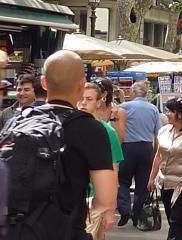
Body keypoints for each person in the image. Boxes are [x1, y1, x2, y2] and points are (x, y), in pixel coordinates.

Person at [11, 50, 116, 238]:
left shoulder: (17, 121)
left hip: (15, 230)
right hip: (65, 230)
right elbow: (105, 199)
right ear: (82, 85)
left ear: (43, 83)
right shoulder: (91, 129)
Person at [148, 95, 182, 240]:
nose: (167, 114)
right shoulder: (164, 131)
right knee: (173, 221)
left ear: (181, 114)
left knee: (177, 220)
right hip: (164, 183)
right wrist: (152, 177)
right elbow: (158, 155)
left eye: (171, 111)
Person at [79, 82, 124, 240]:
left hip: (95, 200)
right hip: (73, 200)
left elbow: (113, 170)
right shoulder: (67, 127)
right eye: (81, 98)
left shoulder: (107, 131)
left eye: (89, 99)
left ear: (99, 102)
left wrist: (111, 209)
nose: (83, 103)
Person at [117, 81, 162, 227]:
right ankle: (137, 212)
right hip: (146, 147)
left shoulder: (124, 107)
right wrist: (156, 152)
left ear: (133, 92)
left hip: (128, 147)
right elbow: (159, 133)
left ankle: (124, 209)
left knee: (123, 179)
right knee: (143, 183)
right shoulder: (153, 109)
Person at [96, 77, 128, 143]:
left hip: (111, 148)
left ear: (104, 94)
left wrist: (113, 118)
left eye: (96, 92)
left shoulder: (119, 111)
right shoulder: (90, 110)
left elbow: (120, 140)